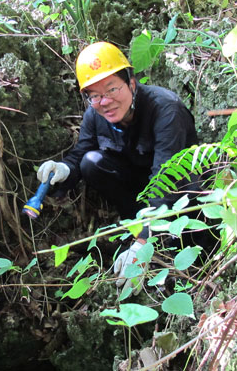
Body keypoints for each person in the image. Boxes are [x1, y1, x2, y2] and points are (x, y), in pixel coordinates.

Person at [36, 41, 198, 292]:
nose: (105, 101)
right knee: (91, 163)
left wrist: (144, 243)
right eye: (95, 95)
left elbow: (166, 179)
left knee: (178, 189)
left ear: (131, 83)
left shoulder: (166, 110)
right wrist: (64, 170)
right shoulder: (96, 115)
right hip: (139, 194)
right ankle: (133, 229)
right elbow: (81, 154)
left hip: (182, 198)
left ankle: (165, 246)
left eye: (112, 89)